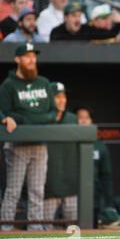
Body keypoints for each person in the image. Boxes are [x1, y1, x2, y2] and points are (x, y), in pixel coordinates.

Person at [0, 43, 57, 231]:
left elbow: (52, 114)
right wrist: (12, 118)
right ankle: (5, 230)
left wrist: (22, 117)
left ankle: (36, 231)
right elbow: (4, 112)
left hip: (40, 145)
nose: (32, 60)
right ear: (17, 59)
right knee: (13, 191)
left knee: (37, 191)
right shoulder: (8, 85)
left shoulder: (44, 83)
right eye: (27, 56)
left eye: (34, 56)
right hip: (18, 145)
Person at [76, 106, 120, 229]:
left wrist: (108, 202)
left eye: (86, 118)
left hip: (95, 198)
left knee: (92, 228)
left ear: (91, 121)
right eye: (79, 118)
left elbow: (106, 176)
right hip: (72, 196)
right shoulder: (68, 144)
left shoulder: (99, 146)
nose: (83, 121)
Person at [43, 82, 78, 230]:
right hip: (48, 187)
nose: (62, 100)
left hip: (70, 187)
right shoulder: (41, 119)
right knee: (44, 231)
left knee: (73, 231)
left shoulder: (72, 119)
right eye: (57, 97)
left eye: (64, 96)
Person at [49, 2, 120, 42]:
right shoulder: (57, 32)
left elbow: (109, 34)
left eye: (79, 16)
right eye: (74, 16)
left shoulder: (86, 30)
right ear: (65, 18)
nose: (77, 19)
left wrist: (119, 23)